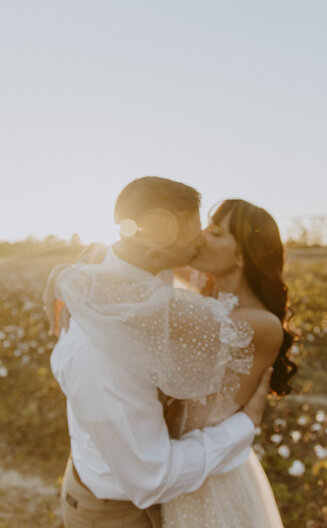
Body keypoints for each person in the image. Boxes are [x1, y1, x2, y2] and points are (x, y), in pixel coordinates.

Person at [44, 177, 273, 528]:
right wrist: (246, 425)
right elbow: (151, 477)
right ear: (155, 252)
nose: (198, 244)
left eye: (210, 231)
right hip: (120, 506)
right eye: (196, 237)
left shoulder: (158, 284)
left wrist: (69, 275)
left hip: (133, 474)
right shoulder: (105, 350)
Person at [160, 198, 297, 527]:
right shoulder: (207, 302)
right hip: (177, 468)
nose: (202, 236)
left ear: (242, 254)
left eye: (216, 232)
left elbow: (145, 301)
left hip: (210, 482)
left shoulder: (261, 323)